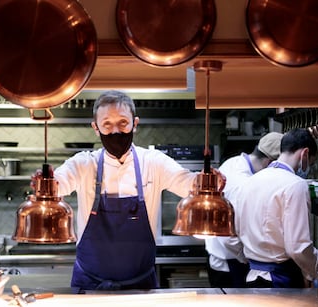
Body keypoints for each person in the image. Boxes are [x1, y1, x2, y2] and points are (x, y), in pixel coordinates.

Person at [46, 90, 201, 290]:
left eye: (123, 123)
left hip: (141, 286)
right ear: (96, 127)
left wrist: (205, 181)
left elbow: (187, 183)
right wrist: (48, 183)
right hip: (90, 284)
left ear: (135, 124)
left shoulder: (153, 162)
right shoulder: (84, 163)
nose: (116, 131)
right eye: (107, 125)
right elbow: (59, 184)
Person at [232, 128, 318, 288]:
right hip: (280, 281)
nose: (308, 168)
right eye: (310, 163)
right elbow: (298, 247)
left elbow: (236, 233)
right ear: (304, 154)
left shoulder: (249, 182)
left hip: (252, 278)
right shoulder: (295, 185)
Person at [205, 132, 284, 288]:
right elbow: (229, 233)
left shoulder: (234, 162)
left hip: (223, 256)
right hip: (230, 261)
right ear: (269, 162)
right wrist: (247, 257)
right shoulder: (242, 183)